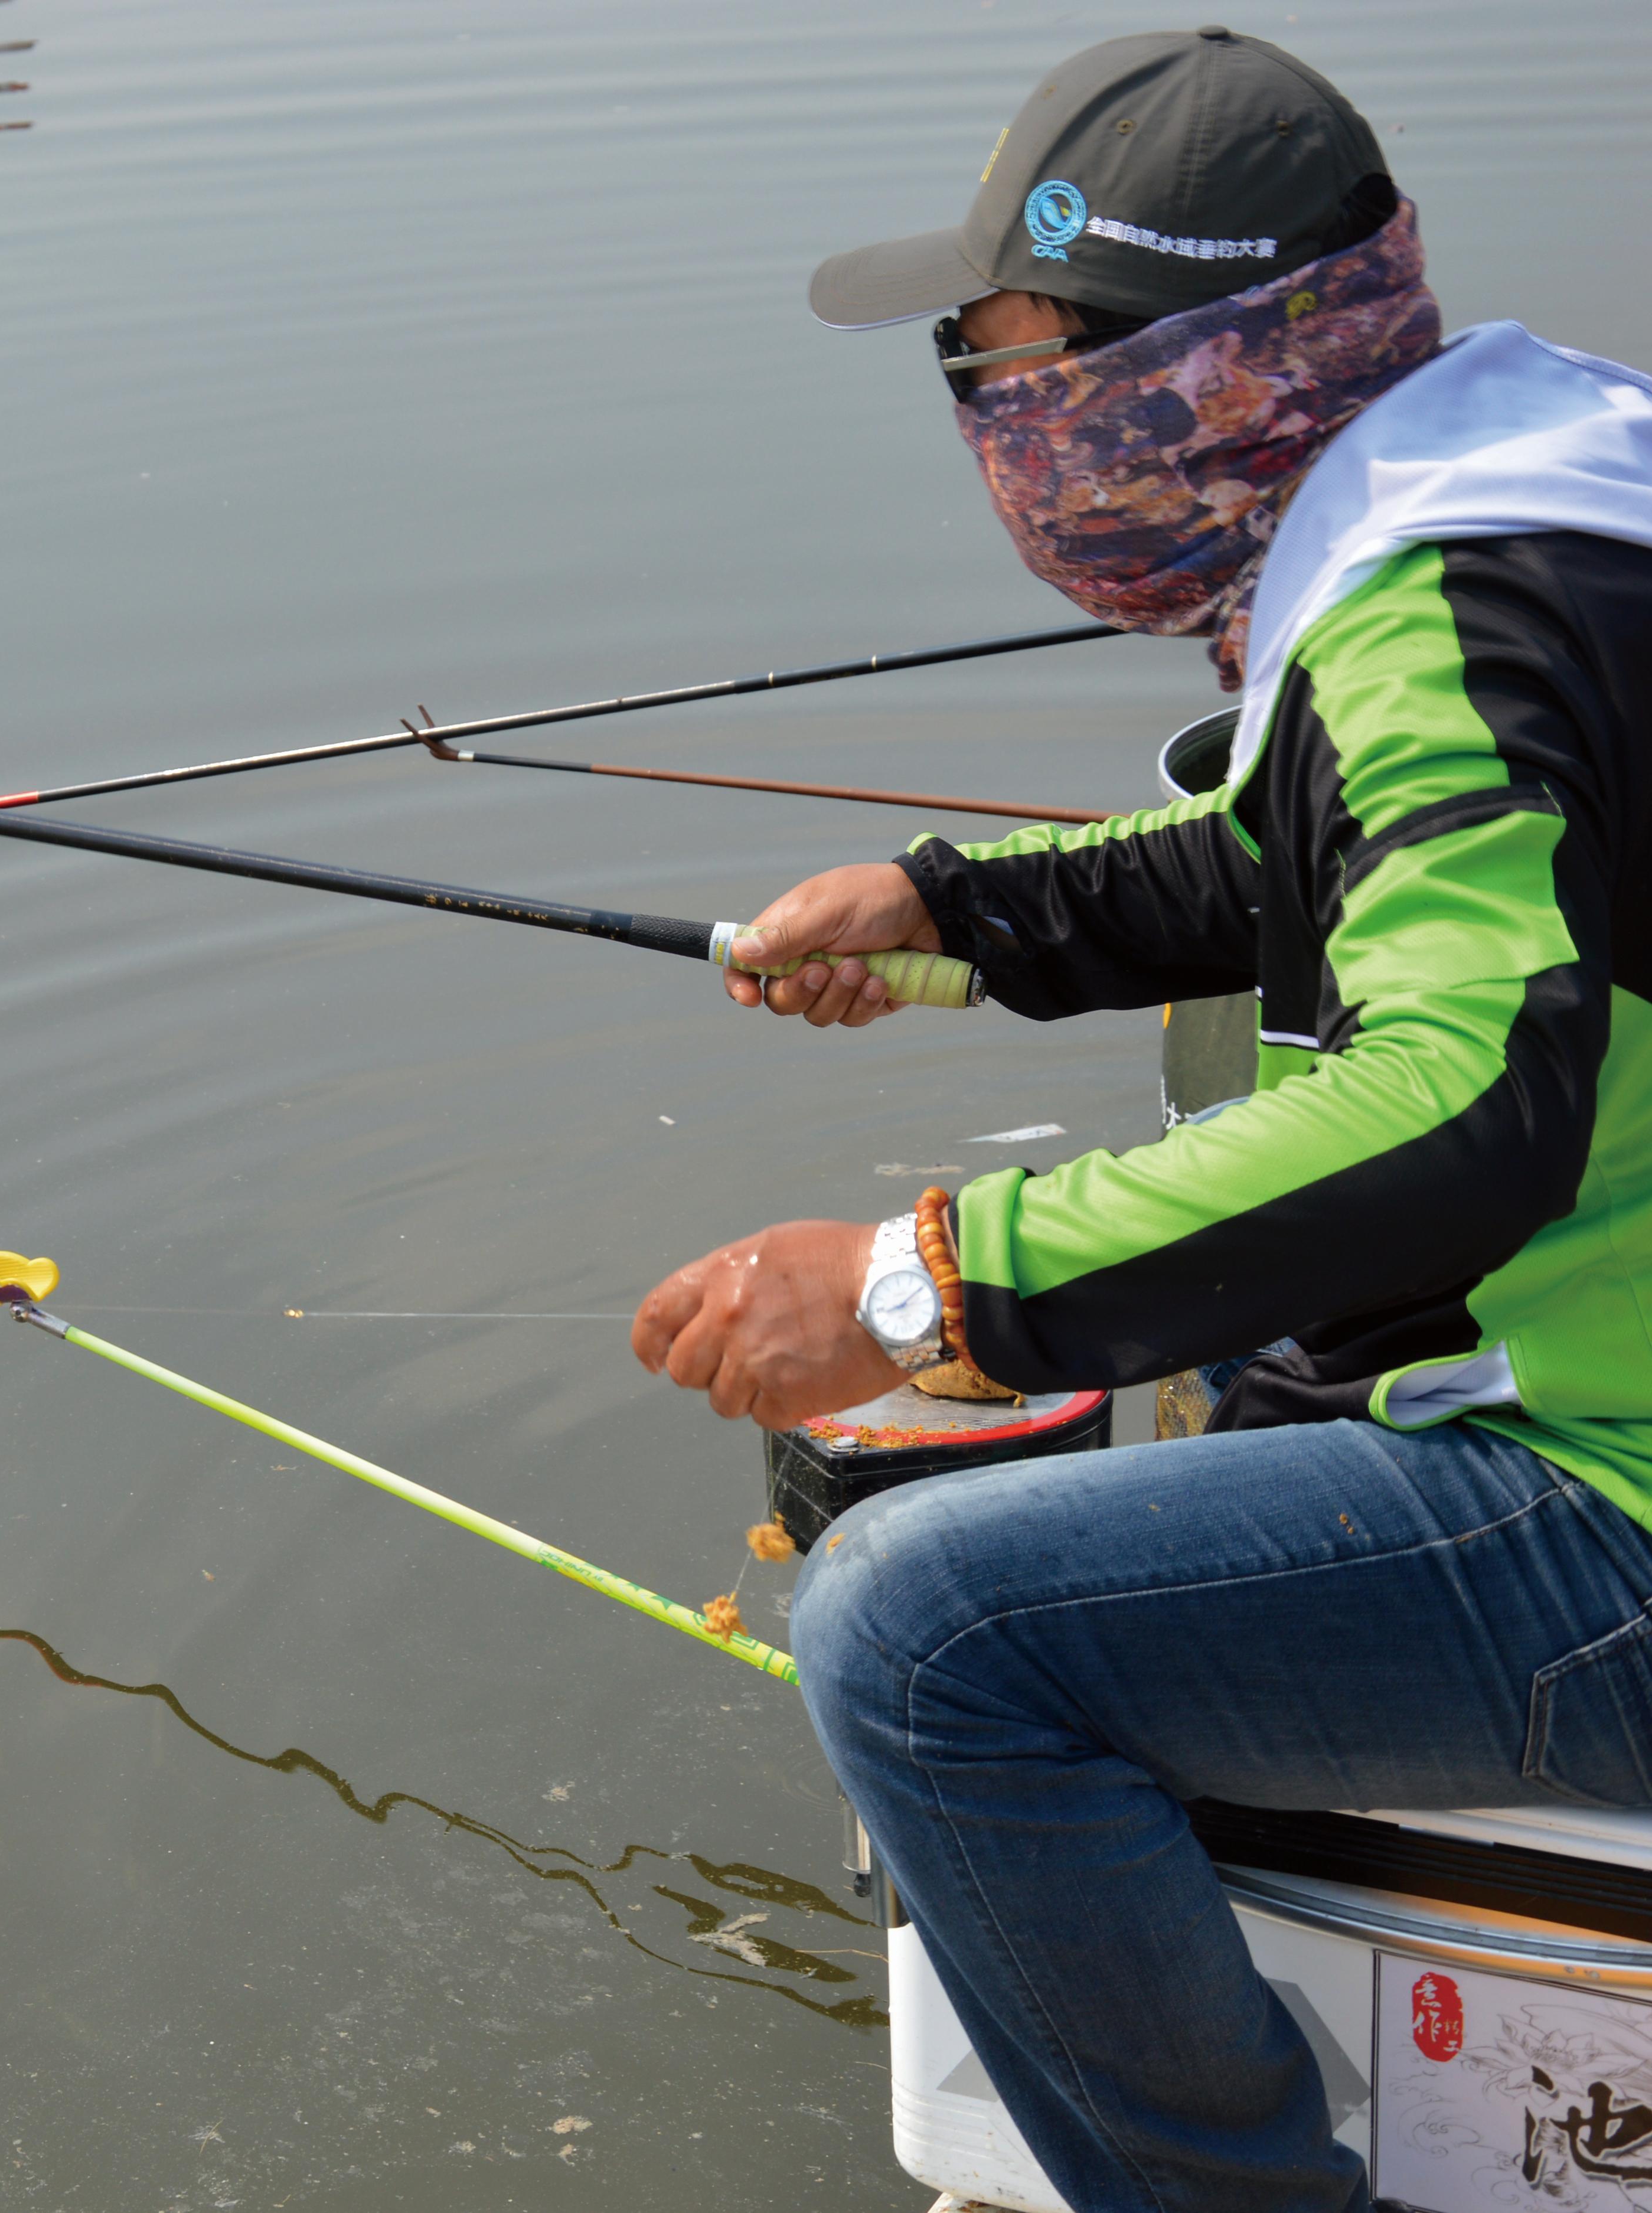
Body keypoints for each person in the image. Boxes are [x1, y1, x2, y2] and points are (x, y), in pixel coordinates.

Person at [627, 28, 1652, 2213]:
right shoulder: (1548, 493)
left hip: (1630, 1507)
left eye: (1014, 360)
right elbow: (1321, 854)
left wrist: (914, 1288)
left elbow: (1471, 1089)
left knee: (920, 1632)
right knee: (1217, 1350)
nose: (995, 418)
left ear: (1201, 366)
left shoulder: (1437, 625)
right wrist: (958, 910)